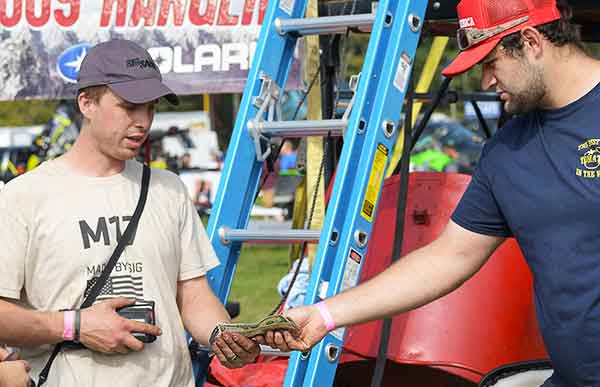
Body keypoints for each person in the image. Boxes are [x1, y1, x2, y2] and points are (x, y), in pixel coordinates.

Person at [261, 1, 600, 386]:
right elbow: (448, 257)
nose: (486, 81)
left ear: (530, 40)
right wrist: (324, 315)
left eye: (491, 63)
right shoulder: (506, 152)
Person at [0, 39, 259, 387]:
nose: (143, 122)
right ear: (87, 103)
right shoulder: (23, 197)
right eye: (129, 107)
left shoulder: (168, 189)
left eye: (150, 108)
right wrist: (75, 326)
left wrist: (223, 336)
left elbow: (193, 294)